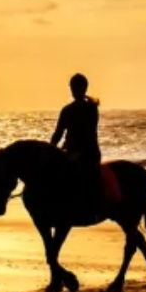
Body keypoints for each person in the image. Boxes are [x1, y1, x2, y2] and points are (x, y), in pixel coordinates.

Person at [49, 72, 111, 212]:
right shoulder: (66, 110)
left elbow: (89, 133)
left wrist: (78, 152)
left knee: (83, 175)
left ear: (84, 88)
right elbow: (58, 133)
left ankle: (93, 206)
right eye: (73, 88)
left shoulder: (91, 109)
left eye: (78, 88)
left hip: (89, 152)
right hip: (69, 151)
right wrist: (50, 149)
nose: (75, 91)